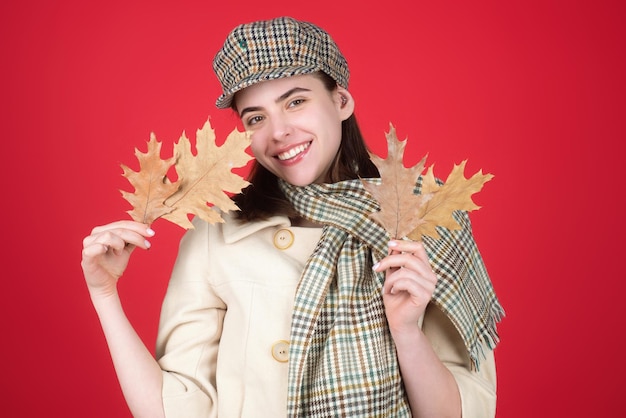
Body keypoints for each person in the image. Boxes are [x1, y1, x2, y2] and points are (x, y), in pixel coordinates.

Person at [81, 16, 504, 418]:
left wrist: (406, 330)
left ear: (341, 101)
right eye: (256, 118)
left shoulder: (426, 219)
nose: (278, 131)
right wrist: (105, 296)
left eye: (296, 101)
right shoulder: (217, 232)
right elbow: (174, 407)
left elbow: (462, 411)